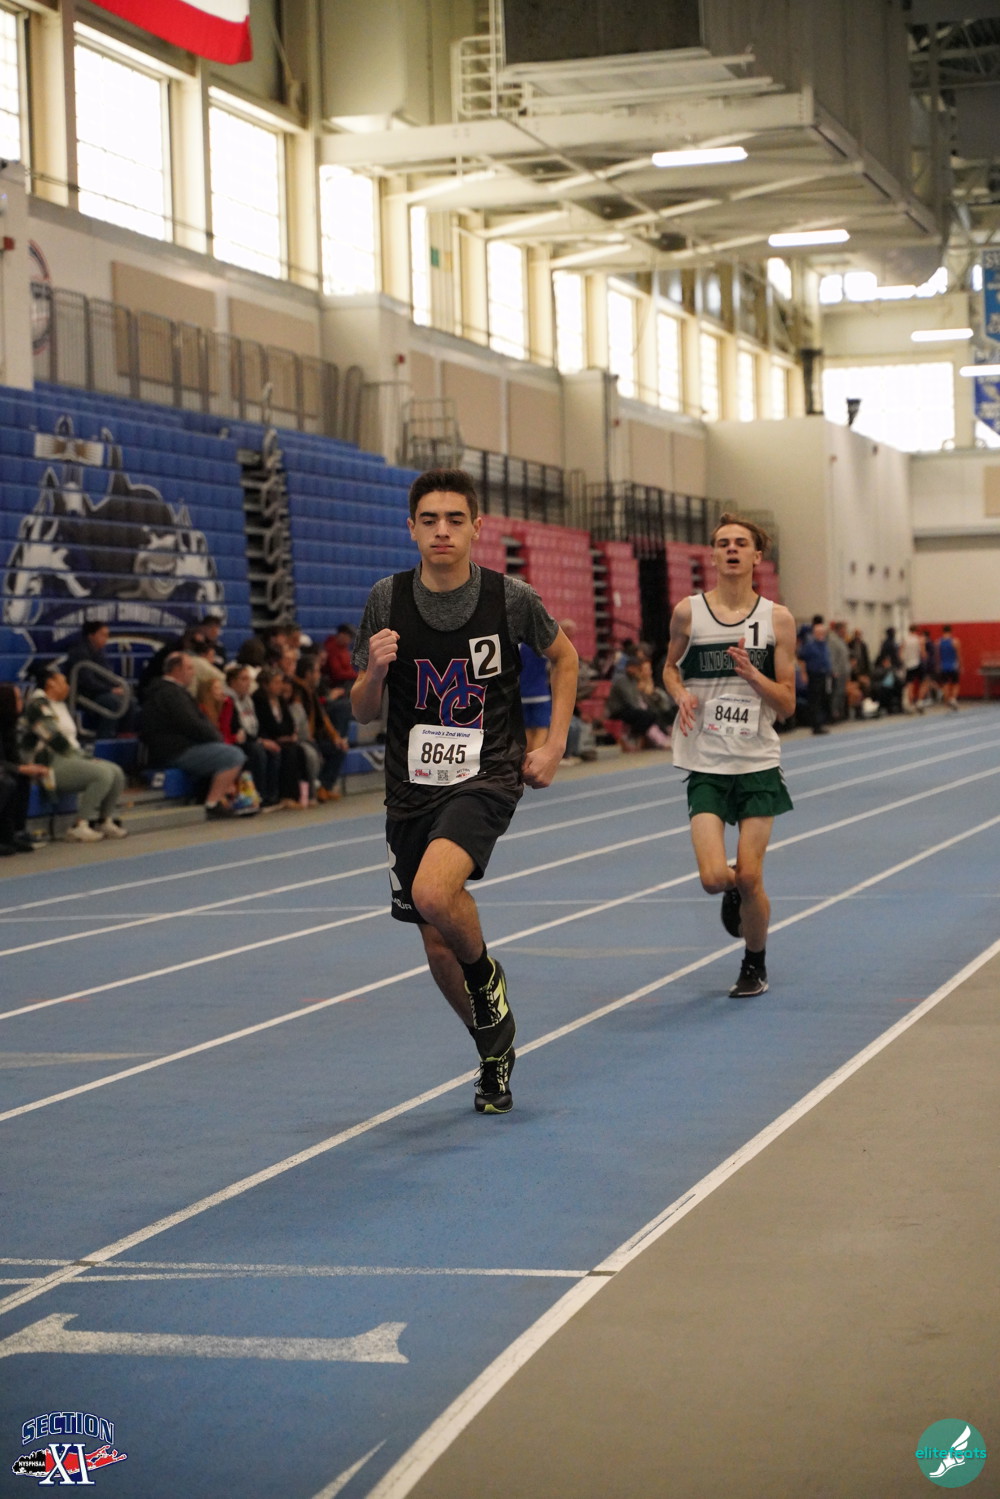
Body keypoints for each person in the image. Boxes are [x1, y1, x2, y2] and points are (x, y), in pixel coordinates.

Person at [350, 467, 578, 1115]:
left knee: (433, 890)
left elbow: (565, 658)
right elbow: (362, 710)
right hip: (409, 785)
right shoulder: (386, 600)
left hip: (486, 772)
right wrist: (374, 671)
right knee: (433, 940)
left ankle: (486, 981)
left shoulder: (509, 598)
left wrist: (554, 743)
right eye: (429, 520)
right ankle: (491, 1049)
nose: (442, 531)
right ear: (411, 529)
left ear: (478, 527)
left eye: (455, 519)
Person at [662, 511, 796, 1000]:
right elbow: (669, 668)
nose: (732, 549)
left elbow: (788, 703)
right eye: (723, 543)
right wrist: (680, 693)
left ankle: (753, 964)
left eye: (741, 543)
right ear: (713, 555)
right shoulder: (688, 613)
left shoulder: (777, 619)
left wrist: (754, 676)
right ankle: (735, 891)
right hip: (706, 762)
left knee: (752, 874)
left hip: (757, 761)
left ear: (757, 556)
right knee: (714, 878)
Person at [19, 665, 129, 842]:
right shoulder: (37, 706)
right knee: (102, 773)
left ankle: (104, 821)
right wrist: (82, 759)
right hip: (48, 762)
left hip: (70, 756)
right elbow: (53, 738)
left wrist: (84, 758)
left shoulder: (60, 705)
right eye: (63, 682)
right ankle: (79, 825)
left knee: (116, 772)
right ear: (51, 683)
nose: (68, 686)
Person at [139, 652, 245, 818]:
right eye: (189, 668)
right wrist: (218, 738)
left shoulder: (171, 692)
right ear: (177, 670)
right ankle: (212, 803)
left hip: (177, 747)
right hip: (175, 751)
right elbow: (192, 724)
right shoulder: (171, 694)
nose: (193, 673)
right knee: (233, 755)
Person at [63, 619, 133, 736]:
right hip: (84, 694)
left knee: (130, 701)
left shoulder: (100, 652)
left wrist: (117, 687)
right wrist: (110, 689)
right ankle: (105, 738)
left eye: (107, 635)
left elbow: (107, 675)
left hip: (100, 692)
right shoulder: (79, 652)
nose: (106, 638)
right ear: (91, 635)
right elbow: (87, 681)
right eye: (103, 635)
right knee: (112, 703)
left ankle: (124, 736)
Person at [0, 684, 47, 854]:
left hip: (4, 770)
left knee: (20, 778)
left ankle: (13, 833)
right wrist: (20, 768)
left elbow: (11, 758)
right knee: (6, 782)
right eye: (18, 698)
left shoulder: (9, 725)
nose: (21, 702)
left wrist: (26, 768)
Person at [606, 656, 671, 749]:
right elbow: (629, 700)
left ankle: (659, 738)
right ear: (629, 668)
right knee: (644, 715)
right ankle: (635, 737)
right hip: (619, 711)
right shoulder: (622, 681)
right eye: (635, 668)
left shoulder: (633, 681)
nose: (636, 671)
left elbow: (638, 698)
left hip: (631, 709)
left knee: (652, 714)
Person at [798, 616, 831, 735]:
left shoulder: (824, 645)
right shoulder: (810, 646)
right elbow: (801, 659)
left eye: (823, 633)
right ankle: (816, 725)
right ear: (815, 633)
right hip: (814, 675)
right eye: (819, 633)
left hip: (823, 675)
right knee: (815, 700)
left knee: (822, 699)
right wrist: (803, 674)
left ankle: (821, 722)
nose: (822, 635)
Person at [518, 642, 552, 752]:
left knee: (527, 730)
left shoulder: (518, 646)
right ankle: (535, 756)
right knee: (541, 729)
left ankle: (527, 757)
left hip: (522, 694)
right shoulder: (541, 645)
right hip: (540, 694)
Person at [937, 624, 962, 710]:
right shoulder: (955, 641)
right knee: (956, 683)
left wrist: (938, 665)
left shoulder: (938, 642)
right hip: (953, 665)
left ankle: (947, 700)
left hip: (943, 665)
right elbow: (959, 655)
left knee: (945, 684)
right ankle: (953, 699)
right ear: (951, 631)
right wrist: (961, 665)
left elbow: (937, 656)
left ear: (943, 631)